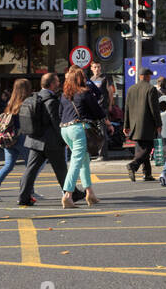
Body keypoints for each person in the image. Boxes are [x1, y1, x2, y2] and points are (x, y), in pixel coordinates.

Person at [17, 73, 84, 207]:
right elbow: (56, 122)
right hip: (51, 142)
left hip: (35, 140)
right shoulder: (51, 100)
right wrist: (65, 140)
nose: (59, 84)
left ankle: (23, 197)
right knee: (61, 170)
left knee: (31, 169)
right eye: (57, 82)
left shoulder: (36, 96)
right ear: (52, 84)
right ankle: (72, 193)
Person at [60, 67, 108, 208]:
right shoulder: (85, 93)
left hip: (65, 129)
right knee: (76, 161)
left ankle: (90, 193)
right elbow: (98, 111)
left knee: (84, 160)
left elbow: (60, 113)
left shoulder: (64, 95)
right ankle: (67, 195)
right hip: (79, 129)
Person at [0, 79, 32, 202]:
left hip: (8, 138)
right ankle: (28, 190)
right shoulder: (26, 103)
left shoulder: (10, 103)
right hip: (21, 137)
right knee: (30, 165)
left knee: (8, 165)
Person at [123, 67, 162, 181]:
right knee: (147, 149)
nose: (150, 78)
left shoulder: (131, 89)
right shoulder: (151, 89)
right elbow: (154, 109)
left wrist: (126, 125)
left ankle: (147, 173)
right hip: (147, 125)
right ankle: (133, 165)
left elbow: (127, 109)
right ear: (145, 76)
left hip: (135, 126)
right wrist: (158, 124)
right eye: (149, 76)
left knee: (141, 148)